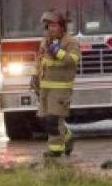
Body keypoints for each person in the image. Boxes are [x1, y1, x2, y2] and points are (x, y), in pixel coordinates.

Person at [33, 9, 80, 158]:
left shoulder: (70, 42)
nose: (51, 29)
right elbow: (40, 60)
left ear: (62, 27)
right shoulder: (45, 40)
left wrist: (58, 51)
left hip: (61, 89)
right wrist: (34, 76)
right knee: (44, 119)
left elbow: (73, 60)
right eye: (49, 26)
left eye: (54, 25)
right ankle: (66, 136)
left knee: (54, 119)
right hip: (45, 87)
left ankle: (55, 150)